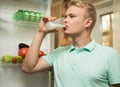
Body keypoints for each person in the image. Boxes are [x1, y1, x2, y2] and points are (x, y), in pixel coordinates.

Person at [21, 0, 120, 87]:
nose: (65, 20)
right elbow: (27, 68)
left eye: (72, 16)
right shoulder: (57, 53)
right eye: (65, 17)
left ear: (88, 22)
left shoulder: (110, 55)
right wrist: (41, 32)